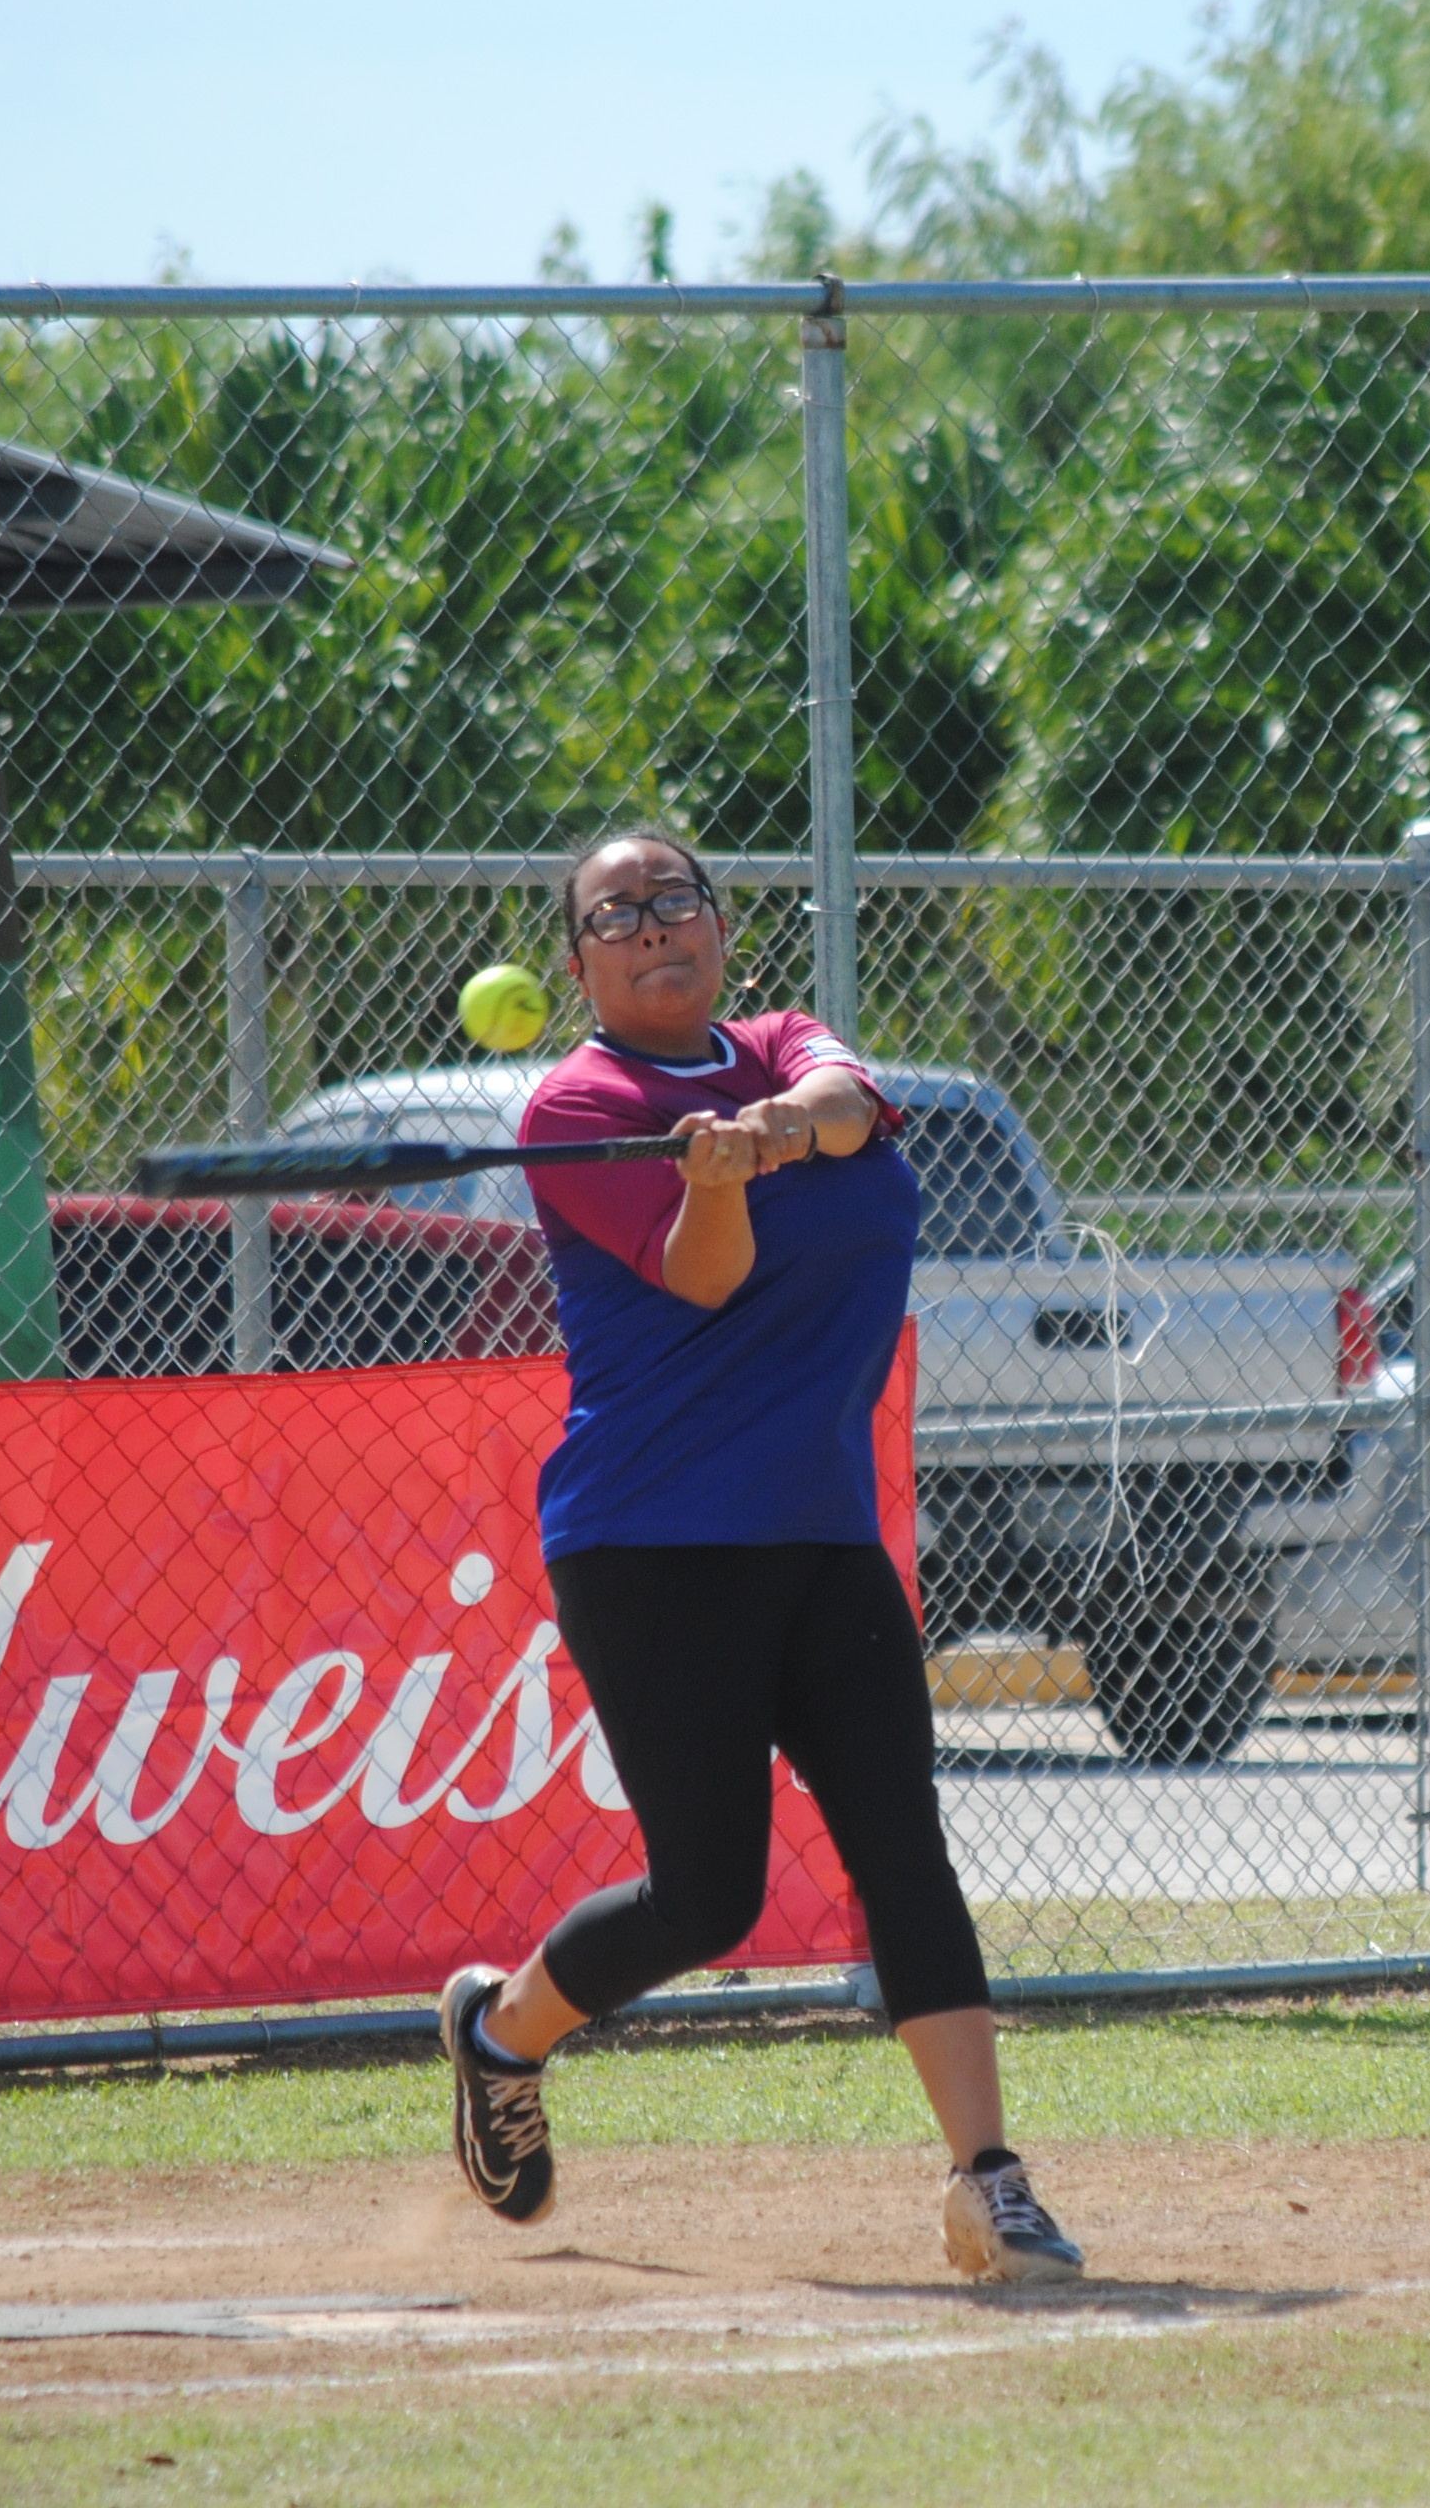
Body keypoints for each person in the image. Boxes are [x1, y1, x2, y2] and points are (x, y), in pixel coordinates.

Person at [435, 826, 1084, 2285]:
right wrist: (710, 1181)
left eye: (678, 899)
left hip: (821, 1532)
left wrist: (775, 1130)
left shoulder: (787, 1043)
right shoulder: (575, 1106)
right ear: (580, 964)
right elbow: (708, 1276)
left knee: (899, 1845)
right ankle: (498, 2033)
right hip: (653, 1541)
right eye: (617, 914)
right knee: (710, 1897)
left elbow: (855, 1103)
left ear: (721, 927)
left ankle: (991, 2181)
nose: (655, 924)